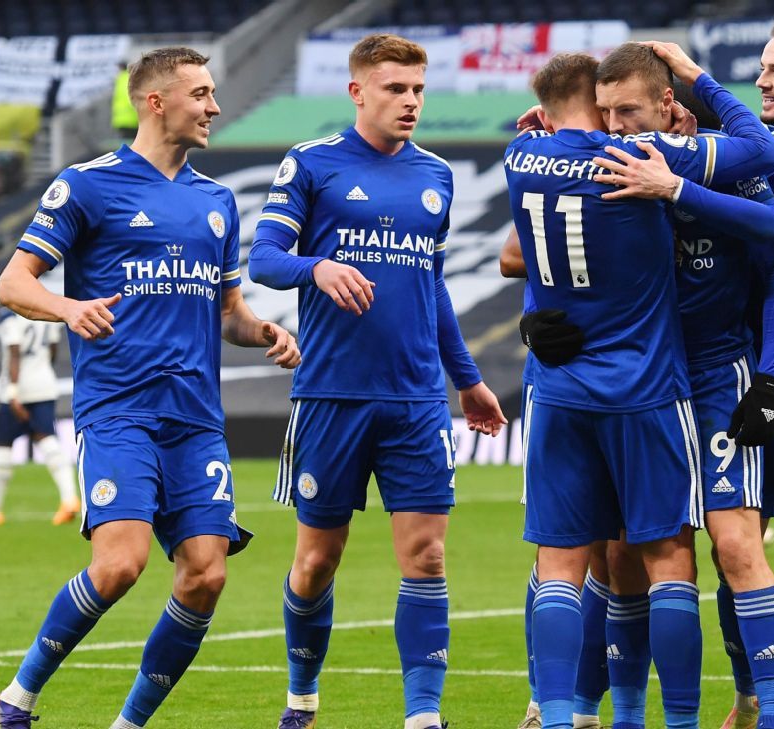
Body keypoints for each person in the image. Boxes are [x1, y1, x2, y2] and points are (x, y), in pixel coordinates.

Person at [0, 47, 300, 729]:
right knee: (119, 566)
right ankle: (14, 700)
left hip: (195, 420)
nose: (214, 107)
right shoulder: (87, 185)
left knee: (207, 574)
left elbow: (228, 314)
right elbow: (12, 283)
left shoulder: (217, 202)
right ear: (156, 102)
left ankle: (128, 724)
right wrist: (69, 308)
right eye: (201, 94)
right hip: (119, 411)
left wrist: (264, 331)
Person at [594, 17, 774, 729]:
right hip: (736, 369)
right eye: (761, 67)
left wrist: (674, 184)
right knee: (736, 543)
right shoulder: (738, 157)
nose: (763, 81)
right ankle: (751, 701)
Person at [508, 49, 774, 729]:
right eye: (607, 110)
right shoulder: (636, 156)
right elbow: (760, 148)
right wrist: (699, 80)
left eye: (626, 110)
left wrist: (769, 376)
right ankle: (637, 716)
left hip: (590, 383)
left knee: (570, 558)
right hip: (644, 382)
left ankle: (566, 709)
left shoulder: (524, 156)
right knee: (653, 556)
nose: (616, 123)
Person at [247, 33, 507, 729]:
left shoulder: (437, 175)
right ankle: (302, 697)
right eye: (396, 88)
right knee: (316, 561)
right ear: (357, 91)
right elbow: (264, 259)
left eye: (418, 89)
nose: (411, 101)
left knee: (427, 555)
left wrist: (467, 379)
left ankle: (423, 716)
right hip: (331, 395)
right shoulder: (312, 163)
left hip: (416, 397)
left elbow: (433, 283)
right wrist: (317, 267)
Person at [0, 308, 79, 526]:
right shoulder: (47, 310)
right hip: (45, 385)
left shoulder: (10, 315)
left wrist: (13, 393)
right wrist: (41, 369)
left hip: (17, 390)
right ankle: (69, 499)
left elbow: (14, 351)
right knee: (47, 439)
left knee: (2, 446)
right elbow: (53, 351)